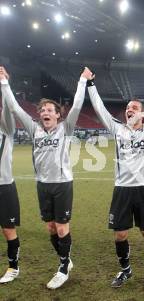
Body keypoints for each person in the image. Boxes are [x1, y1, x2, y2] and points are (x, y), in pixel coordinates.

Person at [85, 68, 144, 289]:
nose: (129, 110)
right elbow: (99, 108)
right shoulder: (117, 129)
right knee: (120, 235)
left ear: (142, 113)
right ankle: (126, 270)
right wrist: (91, 85)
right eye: (128, 108)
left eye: (134, 108)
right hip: (122, 189)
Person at [0, 66, 90, 289]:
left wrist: (82, 81)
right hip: (42, 186)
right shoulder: (34, 130)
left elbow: (77, 104)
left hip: (62, 185)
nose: (45, 113)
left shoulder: (65, 129)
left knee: (61, 228)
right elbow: (14, 107)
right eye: (42, 110)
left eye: (50, 110)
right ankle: (66, 260)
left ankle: (62, 268)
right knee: (51, 228)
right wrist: (4, 83)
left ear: (58, 114)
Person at [0, 78, 20, 284]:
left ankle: (13, 268)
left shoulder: (6, 130)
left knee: (8, 229)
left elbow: (8, 109)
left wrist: (4, 83)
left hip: (4, 187)